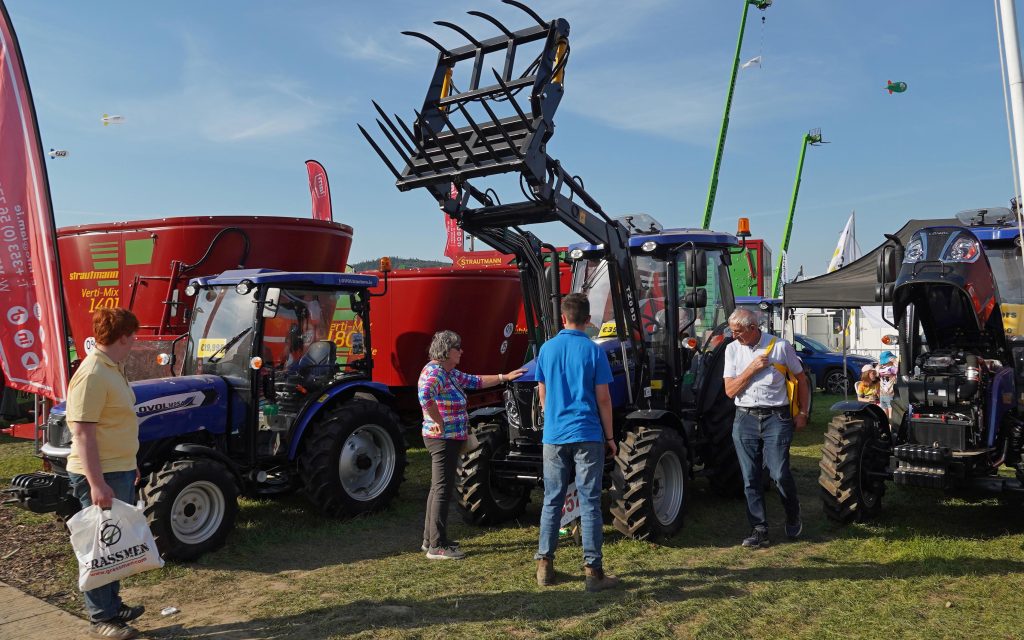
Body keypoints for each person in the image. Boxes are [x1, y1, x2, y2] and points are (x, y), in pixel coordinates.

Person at [65, 308, 145, 640]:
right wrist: (96, 482)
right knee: (101, 545)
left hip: (118, 468)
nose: (135, 341)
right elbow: (83, 432)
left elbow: (116, 424)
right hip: (99, 474)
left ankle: (113, 605)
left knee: (115, 545)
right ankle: (101, 618)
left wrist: (132, 461)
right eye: (133, 335)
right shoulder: (94, 372)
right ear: (123, 336)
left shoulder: (113, 368)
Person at [534, 293, 620, 592]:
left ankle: (545, 565)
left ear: (563, 318)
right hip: (587, 434)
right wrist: (610, 438)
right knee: (590, 501)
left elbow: (542, 395)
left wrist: (553, 419)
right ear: (588, 320)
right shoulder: (594, 351)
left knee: (552, 499)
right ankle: (593, 572)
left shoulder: (546, 349)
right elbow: (604, 399)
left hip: (555, 436)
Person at [418, 330, 525, 560]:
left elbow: (475, 381)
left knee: (438, 488)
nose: (461, 352)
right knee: (443, 490)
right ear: (447, 351)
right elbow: (425, 395)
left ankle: (430, 540)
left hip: (448, 438)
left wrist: (504, 377)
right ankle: (437, 546)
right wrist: (438, 421)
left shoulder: (449, 372)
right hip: (442, 439)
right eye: (458, 348)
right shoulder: (436, 373)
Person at [723, 308, 810, 549]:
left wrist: (803, 412)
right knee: (750, 477)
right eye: (732, 331)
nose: (734, 336)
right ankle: (759, 529)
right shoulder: (732, 350)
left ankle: (793, 514)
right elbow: (730, 391)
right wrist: (752, 369)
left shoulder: (781, 347)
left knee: (779, 473)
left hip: (777, 418)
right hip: (745, 419)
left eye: (738, 332)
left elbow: (801, 379)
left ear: (753, 328)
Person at [877, 351, 898, 418]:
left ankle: (887, 427)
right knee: (890, 414)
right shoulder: (892, 369)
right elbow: (898, 370)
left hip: (883, 394)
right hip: (890, 394)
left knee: (885, 414)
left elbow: (876, 371)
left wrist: (879, 364)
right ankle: (890, 427)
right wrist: (895, 361)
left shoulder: (880, 370)